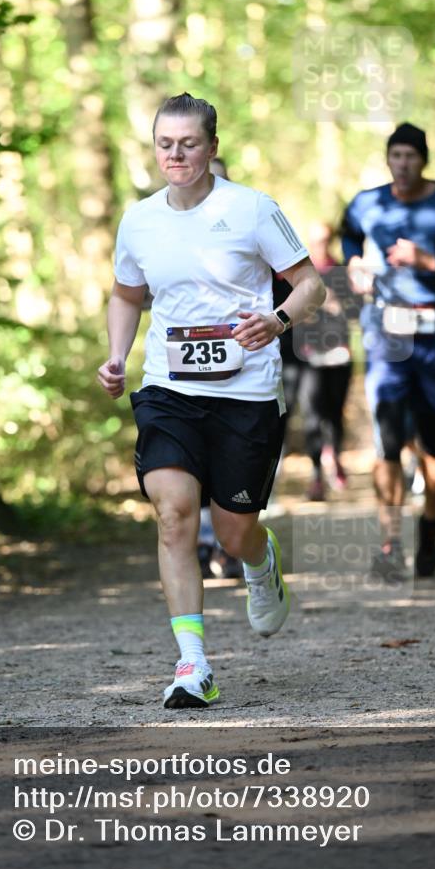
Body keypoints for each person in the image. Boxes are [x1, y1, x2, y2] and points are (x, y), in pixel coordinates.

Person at [98, 93, 325, 708]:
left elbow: (312, 286)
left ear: (212, 147)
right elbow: (126, 295)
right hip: (169, 388)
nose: (176, 155)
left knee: (232, 532)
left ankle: (260, 558)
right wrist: (117, 355)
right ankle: (192, 663)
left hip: (246, 393)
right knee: (173, 512)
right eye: (165, 144)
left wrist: (277, 320)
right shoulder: (139, 220)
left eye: (188, 143)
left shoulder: (252, 209)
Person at [342, 122, 435, 580]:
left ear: (423, 160)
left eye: (410, 156)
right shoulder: (368, 202)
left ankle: (430, 522)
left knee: (430, 434)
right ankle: (390, 541)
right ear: (388, 159)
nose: (402, 164)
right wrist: (353, 262)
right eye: (396, 155)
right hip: (386, 327)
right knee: (387, 434)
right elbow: (348, 232)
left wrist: (432, 262)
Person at [196, 155, 241, 579]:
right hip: (184, 374)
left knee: (231, 464)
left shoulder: (250, 224)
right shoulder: (161, 228)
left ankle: (232, 542)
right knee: (193, 460)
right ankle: (206, 539)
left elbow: (287, 290)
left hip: (242, 376)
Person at [294, 223, 360, 501]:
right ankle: (316, 475)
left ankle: (337, 458)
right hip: (309, 356)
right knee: (312, 414)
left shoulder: (342, 272)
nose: (320, 246)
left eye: (324, 240)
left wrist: (333, 304)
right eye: (315, 241)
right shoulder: (299, 271)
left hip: (338, 355)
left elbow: (356, 311)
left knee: (334, 414)